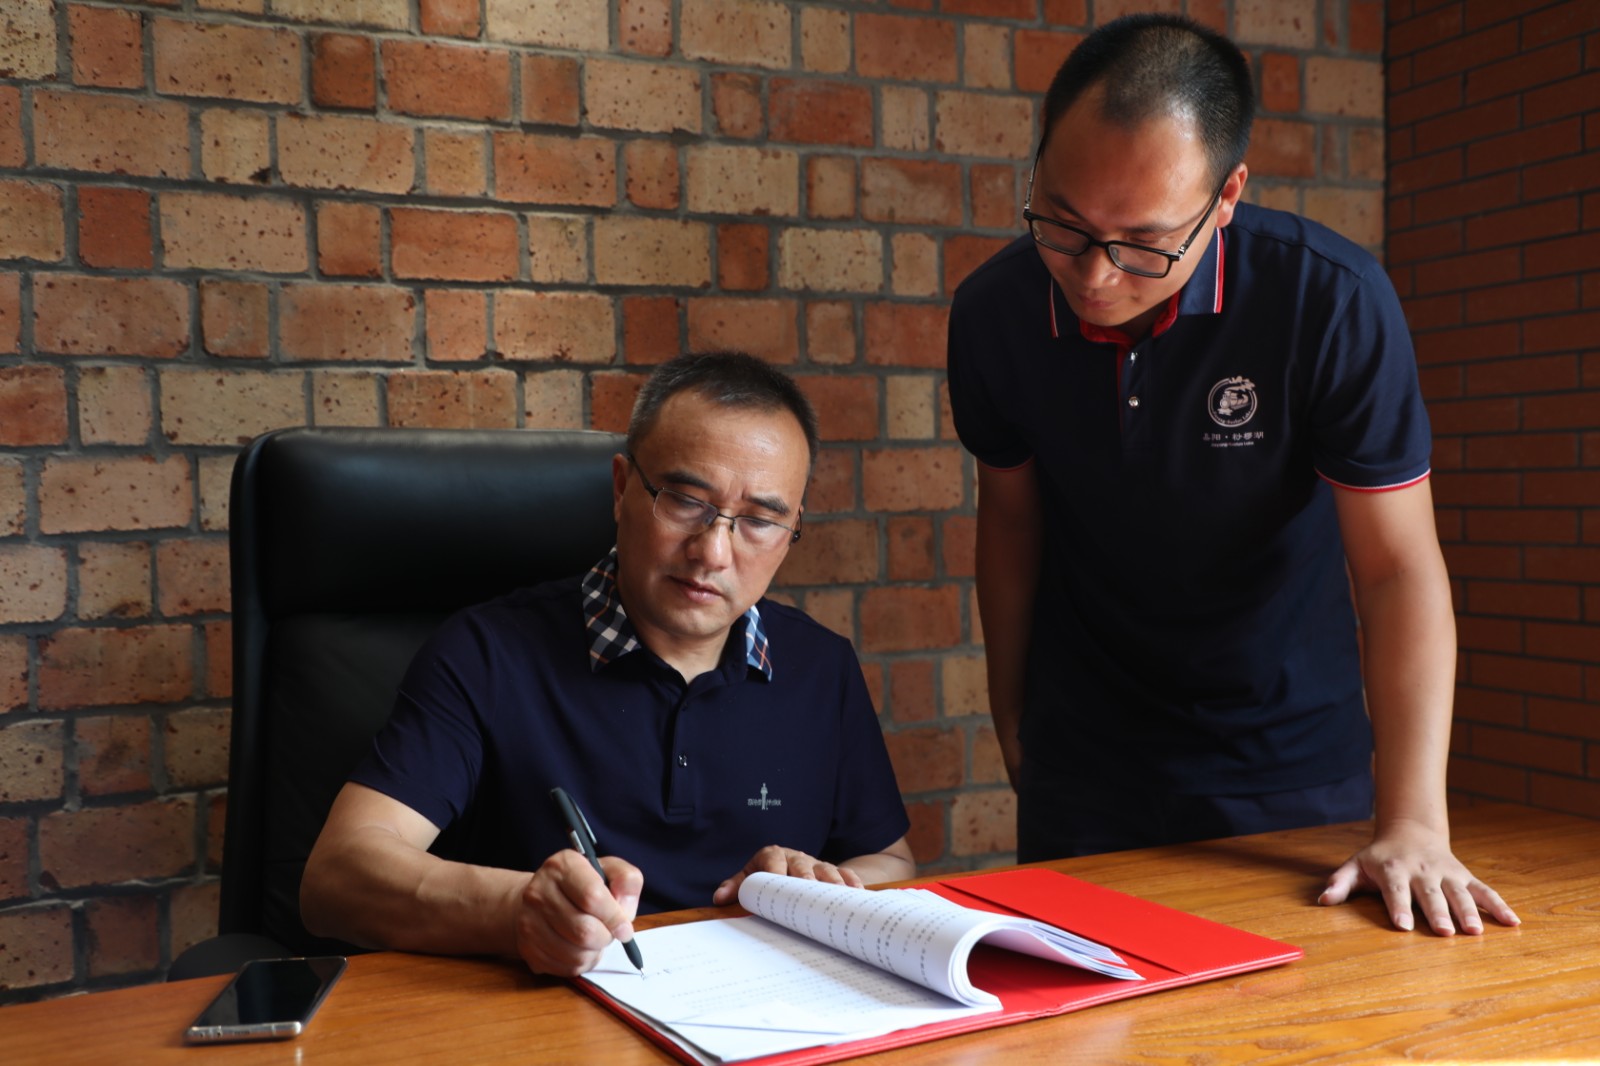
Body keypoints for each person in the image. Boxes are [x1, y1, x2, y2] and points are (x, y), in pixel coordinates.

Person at [946, 14, 1517, 937]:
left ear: (1226, 198)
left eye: (1144, 243)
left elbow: (1396, 566)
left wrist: (1414, 821)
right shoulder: (993, 314)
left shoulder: (1328, 301)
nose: (1095, 277)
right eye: (1064, 223)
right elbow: (1012, 523)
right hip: (1085, 759)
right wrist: (1012, 717)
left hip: (1291, 761)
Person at [301, 352, 914, 976]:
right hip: (547, 1009)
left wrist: (815, 889)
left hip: (760, 1010)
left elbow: (890, 862)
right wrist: (518, 910)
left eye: (759, 520)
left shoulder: (822, 667)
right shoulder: (486, 652)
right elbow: (336, 877)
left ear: (792, 529)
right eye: (684, 500)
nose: (712, 552)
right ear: (622, 489)